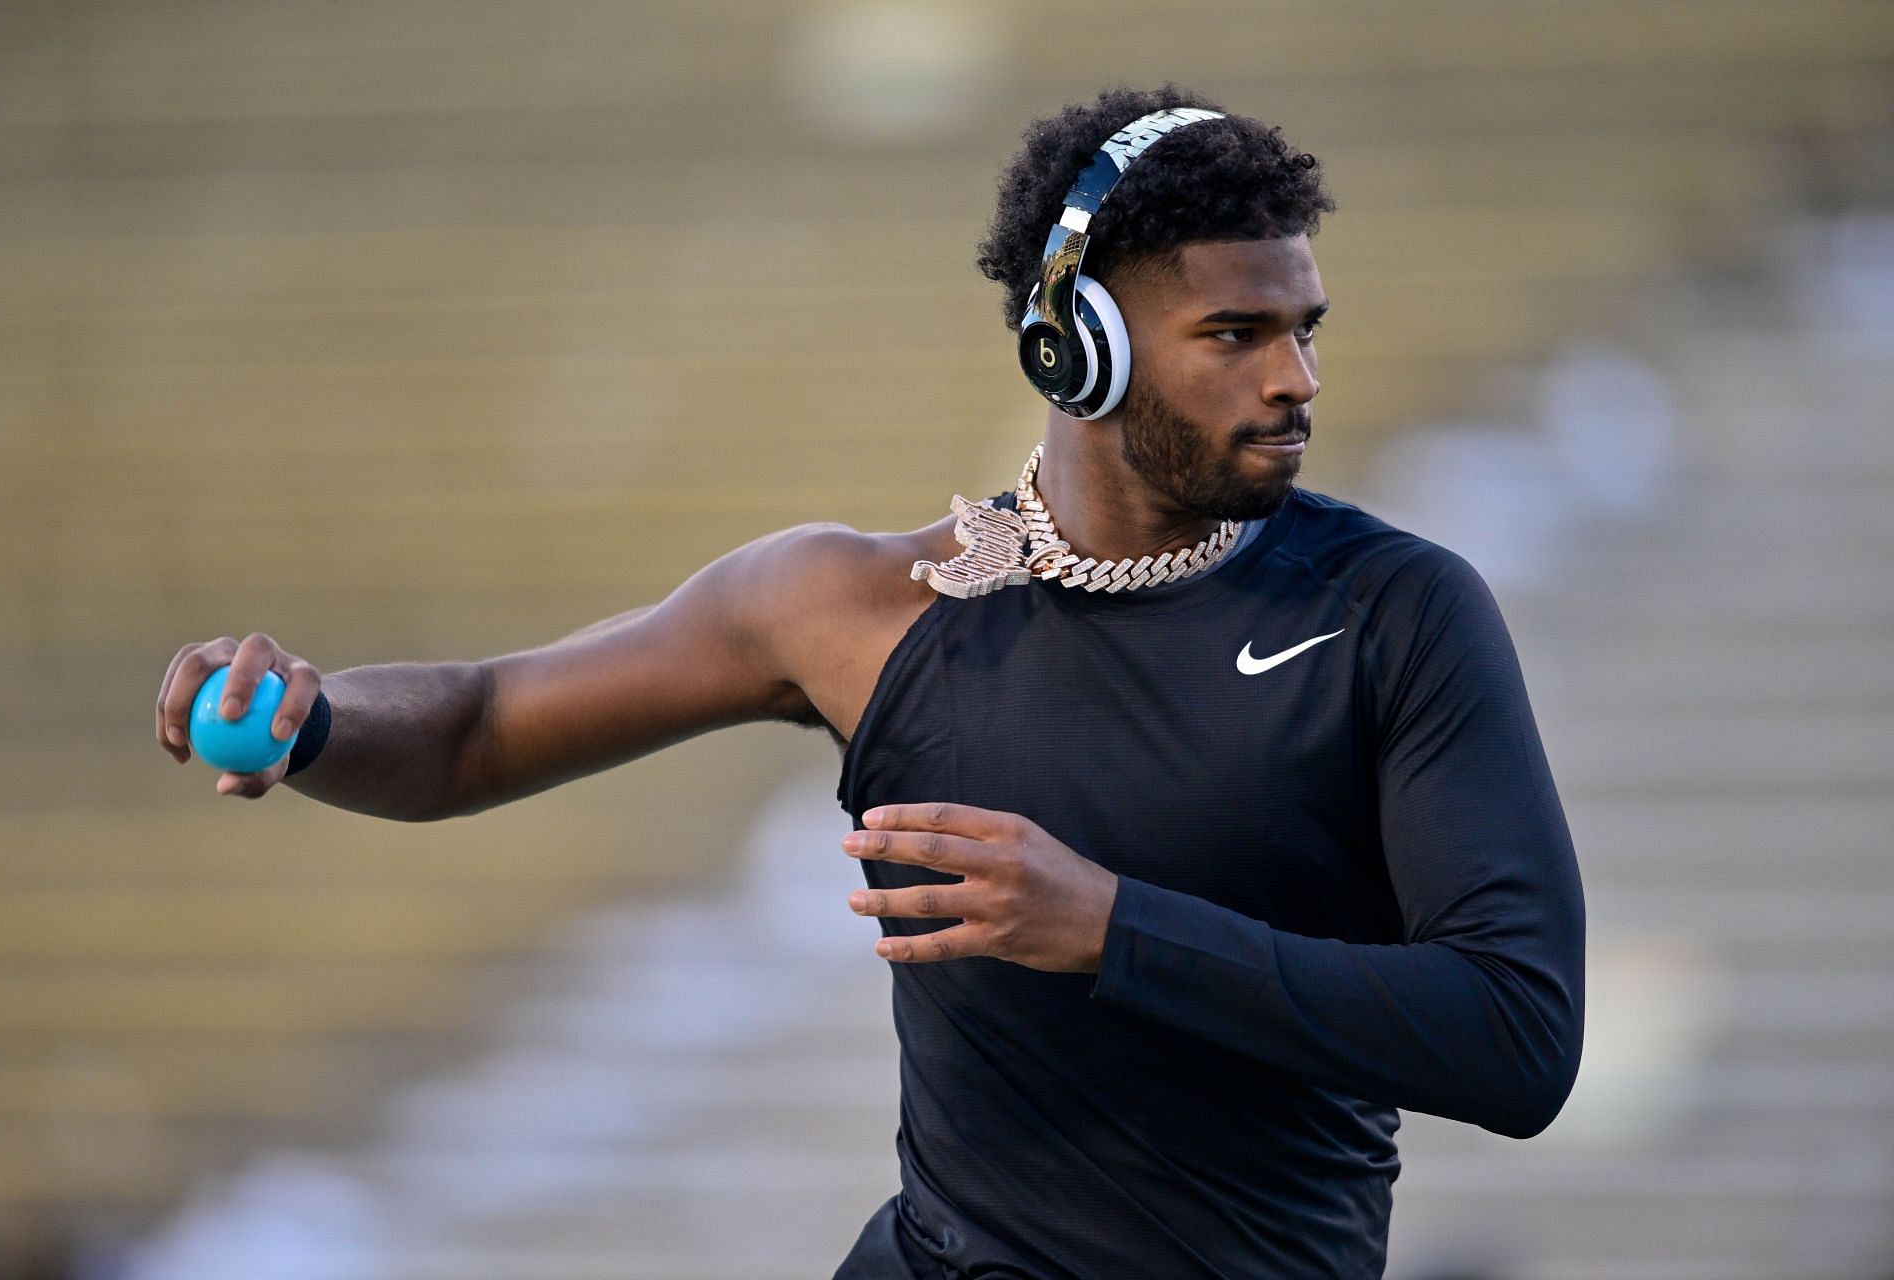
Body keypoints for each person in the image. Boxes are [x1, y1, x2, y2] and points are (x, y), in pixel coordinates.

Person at [153, 84, 1585, 1280]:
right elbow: (472, 731)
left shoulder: (1396, 613)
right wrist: (316, 719)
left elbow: (1518, 1038)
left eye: (1304, 329)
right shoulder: (859, 607)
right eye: (1235, 335)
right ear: (1072, 348)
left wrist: (1109, 929)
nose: (1297, 379)